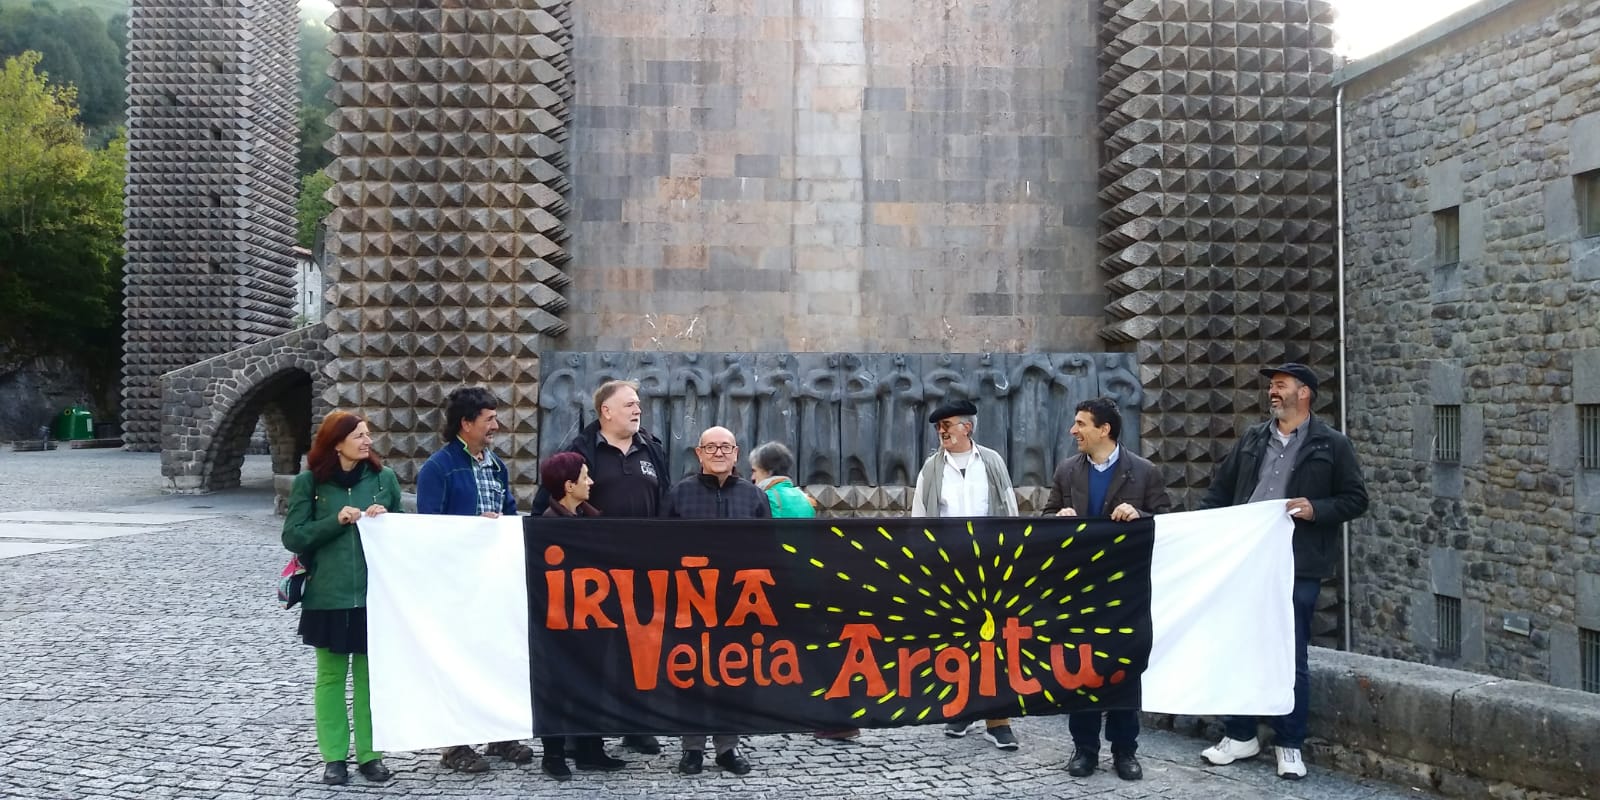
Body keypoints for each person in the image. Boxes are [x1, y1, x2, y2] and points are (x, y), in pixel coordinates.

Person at [1197, 363, 1369, 781]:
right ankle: (1239, 735)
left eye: (1280, 385)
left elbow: (1355, 499)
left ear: (1304, 392)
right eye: (1271, 386)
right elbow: (1220, 493)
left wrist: (1315, 509)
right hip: (1246, 561)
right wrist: (1201, 533)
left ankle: (1289, 744)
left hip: (1298, 565)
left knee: (1290, 654)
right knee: (1239, 647)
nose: (1272, 392)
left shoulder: (1333, 444)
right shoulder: (1253, 438)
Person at [530, 379, 671, 755]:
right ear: (606, 411)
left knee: (638, 651)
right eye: (629, 404)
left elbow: (665, 500)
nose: (637, 409)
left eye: (638, 403)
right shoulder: (580, 452)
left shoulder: (652, 449)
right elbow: (547, 505)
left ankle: (635, 726)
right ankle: (581, 735)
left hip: (643, 571)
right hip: (595, 576)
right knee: (594, 653)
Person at [1041, 397, 1173, 781]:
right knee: (1080, 667)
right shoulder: (1067, 470)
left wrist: (1140, 515)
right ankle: (1084, 749)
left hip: (1126, 593)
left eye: (1081, 423)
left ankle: (1124, 751)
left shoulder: (1145, 472)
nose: (1073, 430)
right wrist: (1058, 517)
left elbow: (1166, 521)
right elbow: (1046, 516)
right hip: (1080, 591)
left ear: (1105, 430)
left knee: (1123, 670)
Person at [281, 410, 403, 786]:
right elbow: (293, 536)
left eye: (368, 435)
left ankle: (370, 755)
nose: (368, 441)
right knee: (331, 677)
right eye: (359, 436)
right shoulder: (310, 483)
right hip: (327, 595)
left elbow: (404, 534)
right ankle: (334, 757)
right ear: (337, 443)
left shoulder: (383, 479)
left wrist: (387, 518)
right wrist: (335, 521)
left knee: (369, 679)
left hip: (373, 596)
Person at [415, 387, 531, 773]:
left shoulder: (496, 466)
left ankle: (500, 733)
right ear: (466, 423)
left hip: (491, 579)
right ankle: (455, 745)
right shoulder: (438, 468)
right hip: (454, 583)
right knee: (457, 661)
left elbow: (508, 511)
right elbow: (429, 528)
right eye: (489, 419)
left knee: (494, 657)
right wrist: (472, 529)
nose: (496, 425)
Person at [910, 399, 1022, 751]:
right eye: (938, 427)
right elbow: (919, 518)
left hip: (990, 567)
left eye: (947, 425)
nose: (941, 432)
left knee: (994, 640)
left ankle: (998, 720)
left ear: (967, 427)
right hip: (950, 570)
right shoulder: (931, 469)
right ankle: (964, 708)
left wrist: (1010, 558)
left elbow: (1009, 510)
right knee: (957, 639)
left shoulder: (991, 462)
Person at [664, 426, 771, 776]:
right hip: (690, 601)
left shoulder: (754, 497)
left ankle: (728, 747)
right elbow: (660, 548)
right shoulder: (679, 494)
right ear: (699, 454)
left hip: (738, 603)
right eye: (711, 447)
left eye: (726, 447)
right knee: (691, 674)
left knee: (732, 675)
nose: (719, 453)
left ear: (736, 453)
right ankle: (692, 748)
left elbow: (767, 549)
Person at [748, 441, 859, 742]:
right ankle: (839, 714)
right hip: (808, 584)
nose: (752, 477)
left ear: (765, 470)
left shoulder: (766, 498)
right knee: (816, 649)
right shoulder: (802, 498)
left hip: (777, 586)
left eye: (754, 470)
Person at [535, 452, 627, 780]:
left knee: (593, 681)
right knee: (557, 687)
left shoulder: (591, 519)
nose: (591, 482)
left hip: (592, 618)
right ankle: (554, 754)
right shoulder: (547, 524)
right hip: (560, 621)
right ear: (569, 486)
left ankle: (591, 749)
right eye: (585, 477)